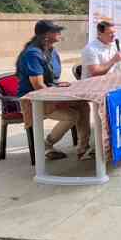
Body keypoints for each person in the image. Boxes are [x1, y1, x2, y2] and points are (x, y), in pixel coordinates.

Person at [16, 20, 92, 161]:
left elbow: (49, 78)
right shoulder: (32, 54)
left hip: (49, 93)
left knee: (83, 105)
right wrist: (57, 100)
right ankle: (47, 144)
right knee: (71, 116)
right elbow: (38, 85)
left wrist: (56, 85)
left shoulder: (51, 50)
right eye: (56, 31)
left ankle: (83, 149)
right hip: (34, 100)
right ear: (45, 35)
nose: (59, 33)